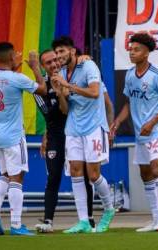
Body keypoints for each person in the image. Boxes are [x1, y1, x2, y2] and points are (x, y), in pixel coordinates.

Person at [34, 49, 109, 233]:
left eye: (55, 60)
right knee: (55, 176)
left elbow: (100, 96)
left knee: (89, 175)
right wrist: (58, 92)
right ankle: (49, 221)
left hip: (79, 129)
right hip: (57, 135)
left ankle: (91, 218)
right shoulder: (41, 87)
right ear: (43, 67)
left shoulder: (77, 71)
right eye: (49, 62)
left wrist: (108, 124)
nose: (54, 64)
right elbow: (50, 115)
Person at [110, 32, 158, 232]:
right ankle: (155, 219)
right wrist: (117, 122)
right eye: (130, 49)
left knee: (157, 169)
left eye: (136, 49)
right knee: (145, 174)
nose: (131, 52)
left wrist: (153, 121)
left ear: (147, 53)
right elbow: (129, 103)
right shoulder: (130, 75)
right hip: (141, 134)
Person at [51, 36, 115, 234]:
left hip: (94, 126)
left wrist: (67, 86)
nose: (59, 56)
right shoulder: (61, 73)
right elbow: (64, 110)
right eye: (57, 53)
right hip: (73, 128)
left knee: (94, 175)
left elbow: (95, 93)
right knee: (76, 172)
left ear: (72, 51)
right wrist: (60, 92)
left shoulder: (89, 66)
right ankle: (84, 221)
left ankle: (109, 209)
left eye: (62, 51)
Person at [0, 42, 46, 236]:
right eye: (16, 54)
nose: (19, 56)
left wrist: (14, 67)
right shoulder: (18, 78)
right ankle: (16, 225)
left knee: (5, 174)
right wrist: (35, 67)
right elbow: (42, 90)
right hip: (13, 136)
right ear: (11, 57)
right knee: (17, 177)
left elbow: (5, 78)